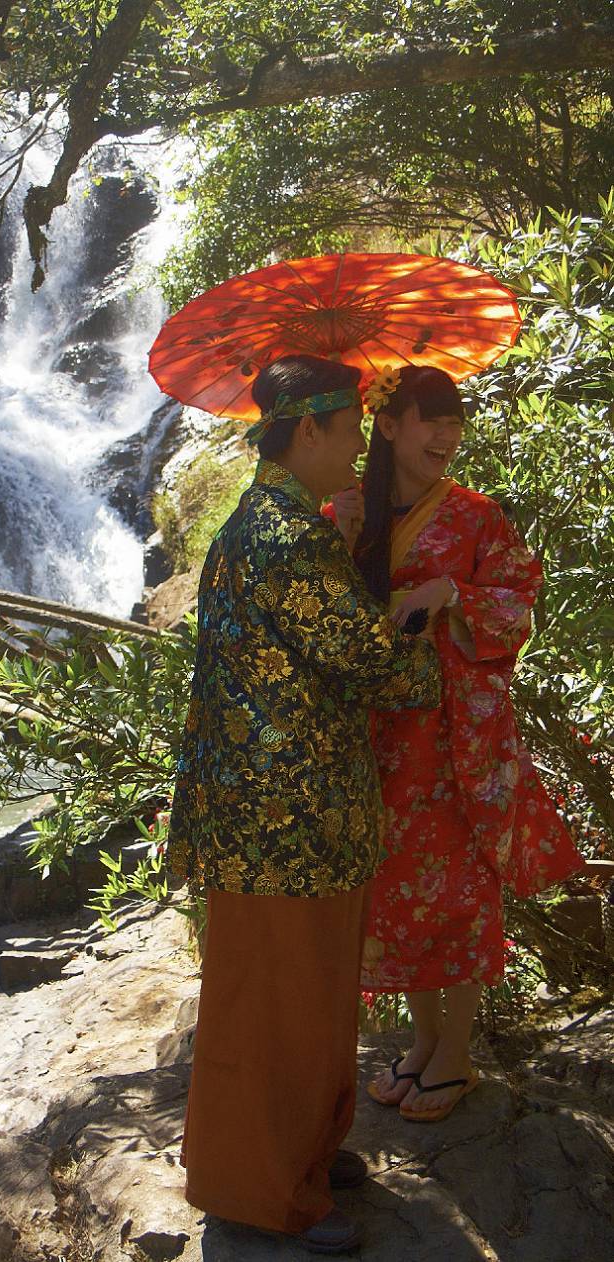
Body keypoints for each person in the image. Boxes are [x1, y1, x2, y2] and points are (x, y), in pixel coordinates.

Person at [167, 354, 442, 1254]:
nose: (359, 446)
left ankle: (306, 1157)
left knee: (306, 999)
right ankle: (263, 1194)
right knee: (278, 1009)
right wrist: (419, 620)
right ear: (310, 430)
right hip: (280, 821)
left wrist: (358, 559)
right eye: (352, 429)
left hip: (285, 814)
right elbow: (366, 662)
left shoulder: (269, 525)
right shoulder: (285, 537)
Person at [324, 365, 584, 1123]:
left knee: (460, 887)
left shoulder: (477, 517)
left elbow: (519, 604)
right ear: (388, 425)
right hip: (378, 735)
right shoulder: (346, 511)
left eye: (455, 421)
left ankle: (458, 1054)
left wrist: (451, 595)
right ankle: (426, 1040)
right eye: (432, 419)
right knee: (394, 889)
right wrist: (337, 539)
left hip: (455, 740)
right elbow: (321, 616)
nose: (448, 435)